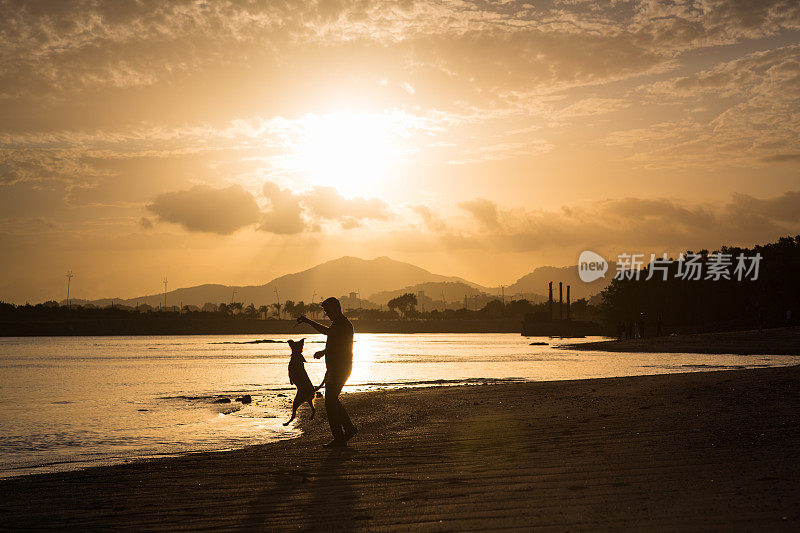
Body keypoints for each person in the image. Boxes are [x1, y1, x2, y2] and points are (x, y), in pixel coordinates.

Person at [297, 297, 357, 447]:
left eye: (327, 311)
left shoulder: (342, 324)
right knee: (332, 400)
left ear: (336, 309)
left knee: (330, 401)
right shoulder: (339, 324)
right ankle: (347, 430)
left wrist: (307, 321)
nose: (326, 314)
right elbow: (337, 343)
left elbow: (327, 332)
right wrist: (324, 352)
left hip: (339, 369)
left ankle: (340, 437)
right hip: (336, 368)